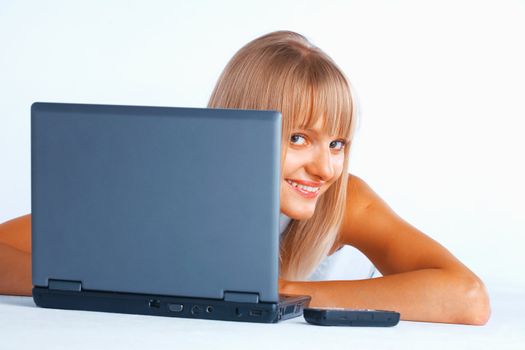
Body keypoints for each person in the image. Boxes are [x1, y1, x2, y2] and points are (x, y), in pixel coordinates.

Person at [0, 30, 490, 325]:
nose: (324, 168)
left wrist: (278, 294)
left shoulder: (345, 200)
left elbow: (467, 298)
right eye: (299, 138)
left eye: (337, 143)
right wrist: (130, 283)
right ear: (242, 129)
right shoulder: (171, 191)